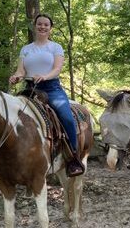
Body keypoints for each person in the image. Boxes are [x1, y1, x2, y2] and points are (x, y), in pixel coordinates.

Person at [9, 13, 84, 177]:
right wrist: (16, 77)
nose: (42, 27)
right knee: (10, 116)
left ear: (51, 28)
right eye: (39, 24)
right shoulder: (26, 49)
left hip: (51, 88)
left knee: (66, 116)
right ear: (34, 26)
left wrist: (45, 76)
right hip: (29, 89)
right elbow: (21, 70)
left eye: (46, 25)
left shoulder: (55, 47)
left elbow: (57, 69)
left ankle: (73, 158)